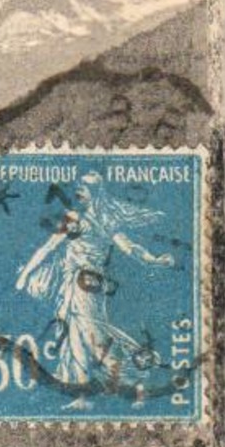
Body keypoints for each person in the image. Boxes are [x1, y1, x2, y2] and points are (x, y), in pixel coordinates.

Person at [14, 171, 174, 408]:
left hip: (89, 285)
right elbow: (48, 247)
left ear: (97, 193)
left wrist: (153, 260)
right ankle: (81, 396)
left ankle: (136, 382)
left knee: (95, 336)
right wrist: (26, 274)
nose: (80, 188)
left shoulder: (106, 222)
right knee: (73, 335)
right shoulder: (72, 218)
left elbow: (130, 247)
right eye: (79, 185)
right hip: (70, 283)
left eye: (86, 186)